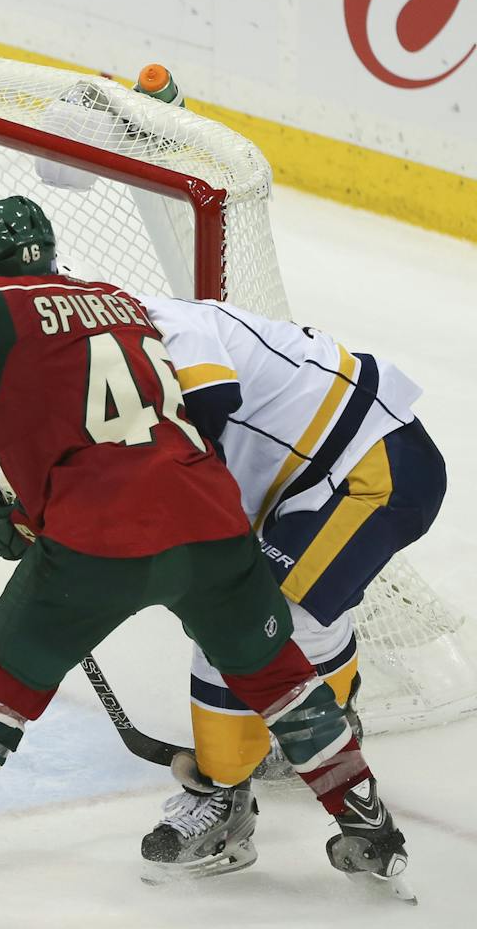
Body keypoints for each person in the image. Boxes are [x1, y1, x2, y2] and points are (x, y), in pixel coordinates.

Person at [0, 195, 412, 915]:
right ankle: (369, 826)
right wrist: (33, 512)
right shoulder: (117, 303)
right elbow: (115, 427)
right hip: (210, 523)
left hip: (98, 543)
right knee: (281, 678)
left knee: (7, 687)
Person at [131, 292, 444, 879]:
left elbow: (207, 415)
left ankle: (222, 794)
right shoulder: (99, 342)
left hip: (371, 471)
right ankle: (331, 709)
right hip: (313, 481)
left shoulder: (160, 327)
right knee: (292, 604)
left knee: (239, 614)